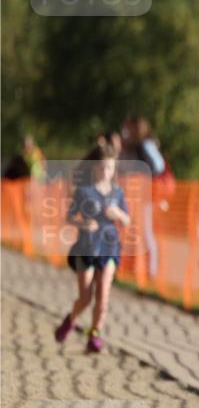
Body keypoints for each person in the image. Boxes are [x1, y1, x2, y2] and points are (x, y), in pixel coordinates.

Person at [53, 144, 131, 353]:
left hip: (109, 248)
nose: (105, 172)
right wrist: (82, 224)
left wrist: (118, 215)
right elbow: (68, 217)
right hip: (86, 247)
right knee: (86, 298)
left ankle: (95, 334)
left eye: (110, 168)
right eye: (102, 168)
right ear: (94, 168)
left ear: (114, 169)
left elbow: (127, 219)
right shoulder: (84, 191)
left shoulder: (117, 192)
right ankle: (70, 321)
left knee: (103, 295)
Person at [119, 116, 171, 279]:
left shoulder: (146, 144)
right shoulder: (132, 145)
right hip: (134, 193)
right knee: (132, 230)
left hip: (146, 193)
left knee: (146, 231)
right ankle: (129, 267)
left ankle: (151, 271)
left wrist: (142, 174)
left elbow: (158, 166)